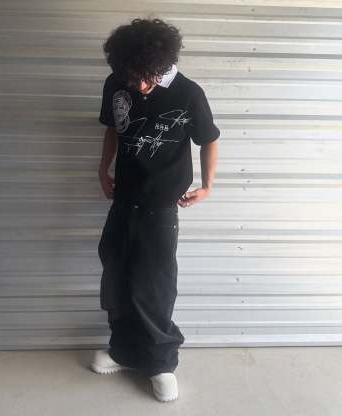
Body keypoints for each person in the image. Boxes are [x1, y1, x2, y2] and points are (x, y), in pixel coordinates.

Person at [91, 16, 220, 402]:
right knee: (117, 273)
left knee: (154, 284)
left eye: (148, 77)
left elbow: (209, 139)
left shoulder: (189, 94)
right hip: (123, 199)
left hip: (161, 206)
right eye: (133, 78)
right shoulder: (117, 83)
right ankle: (123, 351)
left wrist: (208, 186)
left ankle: (160, 362)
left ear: (163, 63)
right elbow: (112, 128)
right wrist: (102, 169)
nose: (141, 86)